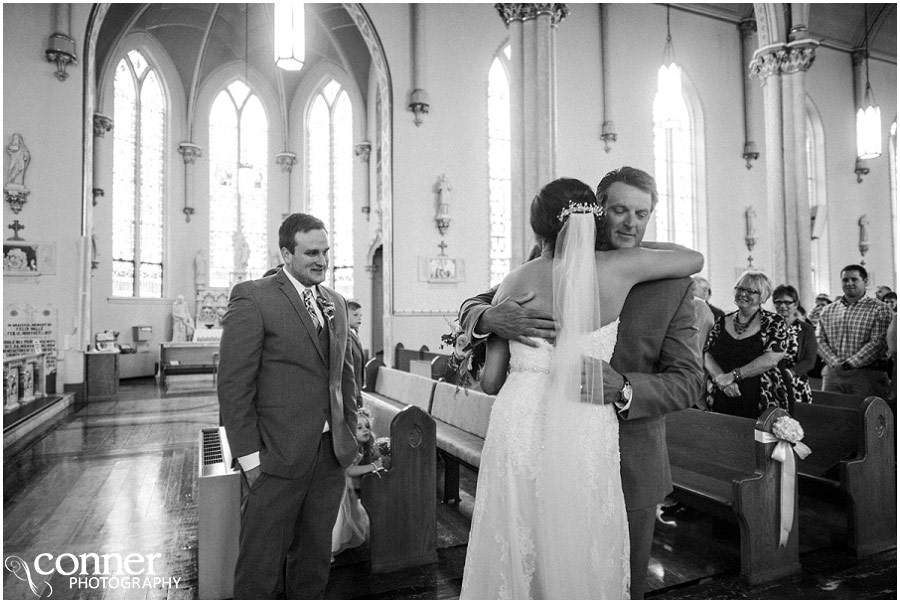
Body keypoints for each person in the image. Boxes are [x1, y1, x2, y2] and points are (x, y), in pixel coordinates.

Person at [459, 172, 704, 599]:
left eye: (642, 214)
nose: (630, 224)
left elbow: (689, 383)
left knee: (610, 577)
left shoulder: (671, 285)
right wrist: (487, 319)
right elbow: (475, 304)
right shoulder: (564, 266)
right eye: (620, 211)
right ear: (597, 209)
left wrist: (624, 388)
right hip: (564, 435)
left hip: (629, 461)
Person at [218, 213, 359, 599]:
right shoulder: (254, 297)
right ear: (285, 252)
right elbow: (233, 385)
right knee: (259, 569)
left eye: (326, 252)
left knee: (313, 561)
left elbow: (343, 374)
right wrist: (250, 460)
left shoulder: (337, 303)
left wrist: (352, 427)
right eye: (311, 252)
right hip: (276, 457)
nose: (322, 260)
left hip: (329, 457)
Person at [703, 270, 790, 419]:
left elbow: (772, 359)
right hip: (723, 392)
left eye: (751, 291)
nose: (743, 294)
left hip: (760, 395)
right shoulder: (722, 321)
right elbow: (708, 354)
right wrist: (722, 380)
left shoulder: (774, 322)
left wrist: (733, 375)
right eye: (740, 289)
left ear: (762, 296)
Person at [816, 264, 892, 399]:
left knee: (866, 417)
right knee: (830, 415)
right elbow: (819, 339)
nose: (849, 283)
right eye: (845, 280)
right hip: (833, 374)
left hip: (867, 374)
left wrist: (849, 364)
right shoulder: (828, 310)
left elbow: (878, 342)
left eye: (854, 279)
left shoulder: (880, 309)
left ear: (865, 281)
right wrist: (834, 362)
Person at [331, 409, 384, 559]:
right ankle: (328, 550)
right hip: (337, 483)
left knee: (350, 512)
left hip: (344, 485)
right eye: (359, 427)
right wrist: (373, 467)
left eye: (367, 426)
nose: (365, 430)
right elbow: (349, 470)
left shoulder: (362, 447)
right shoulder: (351, 446)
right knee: (338, 516)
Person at [772, 284, 816, 406]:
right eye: (778, 302)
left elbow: (810, 360)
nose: (782, 306)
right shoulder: (768, 327)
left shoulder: (806, 329)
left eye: (787, 302)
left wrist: (789, 373)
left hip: (795, 382)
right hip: (770, 381)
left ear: (795, 305)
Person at [348, 300, 365, 405]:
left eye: (361, 315)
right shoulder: (346, 337)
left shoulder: (354, 334)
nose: (359, 318)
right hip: (351, 389)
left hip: (357, 388)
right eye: (355, 315)